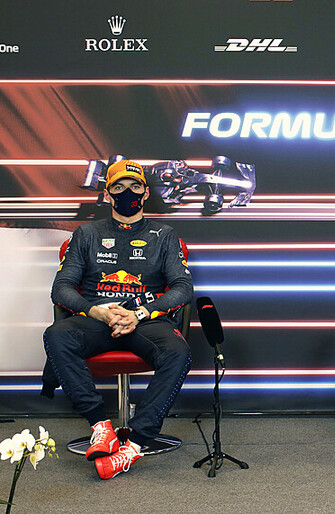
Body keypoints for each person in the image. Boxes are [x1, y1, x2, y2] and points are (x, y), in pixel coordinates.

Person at [42, 159, 193, 478]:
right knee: (56, 334)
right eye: (119, 187)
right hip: (97, 319)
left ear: (146, 193)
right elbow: (62, 288)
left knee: (178, 352)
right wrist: (95, 310)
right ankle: (101, 426)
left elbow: (182, 287)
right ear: (108, 193)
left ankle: (133, 446)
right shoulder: (86, 233)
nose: (128, 193)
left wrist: (139, 313)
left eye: (135, 186)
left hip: (145, 321)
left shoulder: (164, 235)